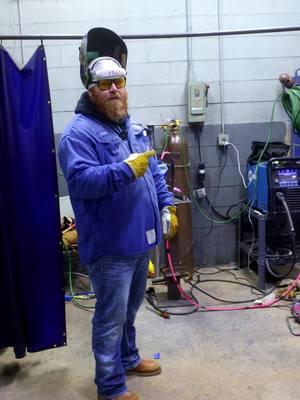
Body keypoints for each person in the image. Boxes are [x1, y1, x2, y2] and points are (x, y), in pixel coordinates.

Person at [58, 28, 178, 400]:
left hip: (140, 242)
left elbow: (154, 172)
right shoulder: (77, 134)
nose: (114, 89)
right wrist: (123, 170)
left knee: (130, 310)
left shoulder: (131, 126)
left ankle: (127, 358)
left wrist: (166, 206)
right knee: (109, 319)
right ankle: (109, 387)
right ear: (91, 91)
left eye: (119, 81)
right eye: (105, 84)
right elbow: (79, 181)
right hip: (110, 248)